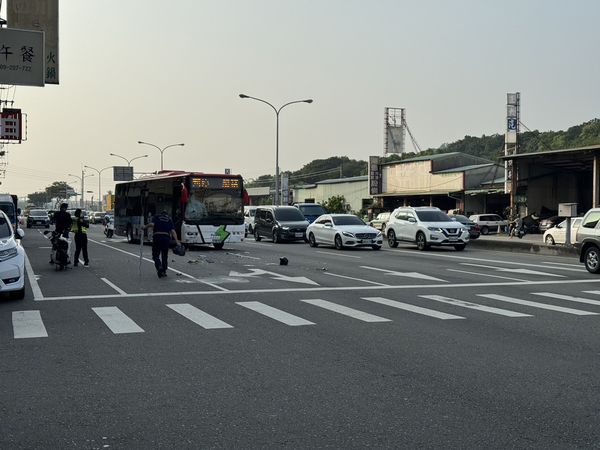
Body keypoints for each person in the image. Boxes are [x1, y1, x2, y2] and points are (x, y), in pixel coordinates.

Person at [146, 209, 181, 278]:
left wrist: (144, 227)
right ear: (166, 215)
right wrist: (177, 242)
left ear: (161, 214)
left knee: (155, 255)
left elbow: (152, 224)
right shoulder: (169, 219)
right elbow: (173, 231)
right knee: (164, 255)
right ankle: (164, 271)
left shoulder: (156, 217)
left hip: (157, 237)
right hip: (166, 238)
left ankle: (159, 266)